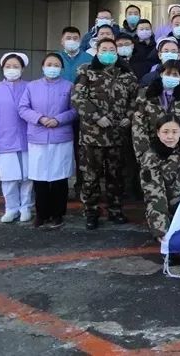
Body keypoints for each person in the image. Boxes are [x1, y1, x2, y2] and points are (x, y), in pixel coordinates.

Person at [71, 39, 138, 230]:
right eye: (104, 49)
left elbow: (135, 99)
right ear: (97, 51)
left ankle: (115, 210)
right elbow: (77, 97)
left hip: (117, 135)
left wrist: (129, 116)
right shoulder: (86, 71)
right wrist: (96, 117)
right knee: (90, 177)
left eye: (111, 49)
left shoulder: (127, 74)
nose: (108, 52)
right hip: (92, 136)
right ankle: (91, 212)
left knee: (116, 176)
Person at [17, 53, 77, 228]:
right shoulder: (32, 86)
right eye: (49, 64)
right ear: (43, 67)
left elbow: (75, 110)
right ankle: (41, 214)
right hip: (38, 137)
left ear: (62, 68)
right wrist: (40, 118)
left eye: (56, 65)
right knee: (39, 177)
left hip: (61, 136)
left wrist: (59, 119)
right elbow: (23, 108)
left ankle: (58, 214)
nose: (52, 68)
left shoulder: (69, 86)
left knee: (59, 177)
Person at [0, 52, 32, 223]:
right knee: (9, 178)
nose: (12, 69)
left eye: (16, 66)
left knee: (27, 177)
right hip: (4, 141)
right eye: (8, 66)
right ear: (2, 68)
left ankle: (26, 207)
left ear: (22, 69)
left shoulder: (30, 87)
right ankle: (11, 208)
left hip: (28, 140)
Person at [139, 114, 180, 242]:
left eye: (174, 132)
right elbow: (154, 194)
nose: (170, 136)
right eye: (165, 132)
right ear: (158, 133)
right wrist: (160, 229)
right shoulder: (151, 157)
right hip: (170, 212)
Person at [133, 60, 180, 162]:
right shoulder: (146, 93)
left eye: (175, 75)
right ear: (161, 74)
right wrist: (143, 154)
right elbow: (139, 123)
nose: (171, 77)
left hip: (178, 146)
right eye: (168, 73)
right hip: (152, 146)